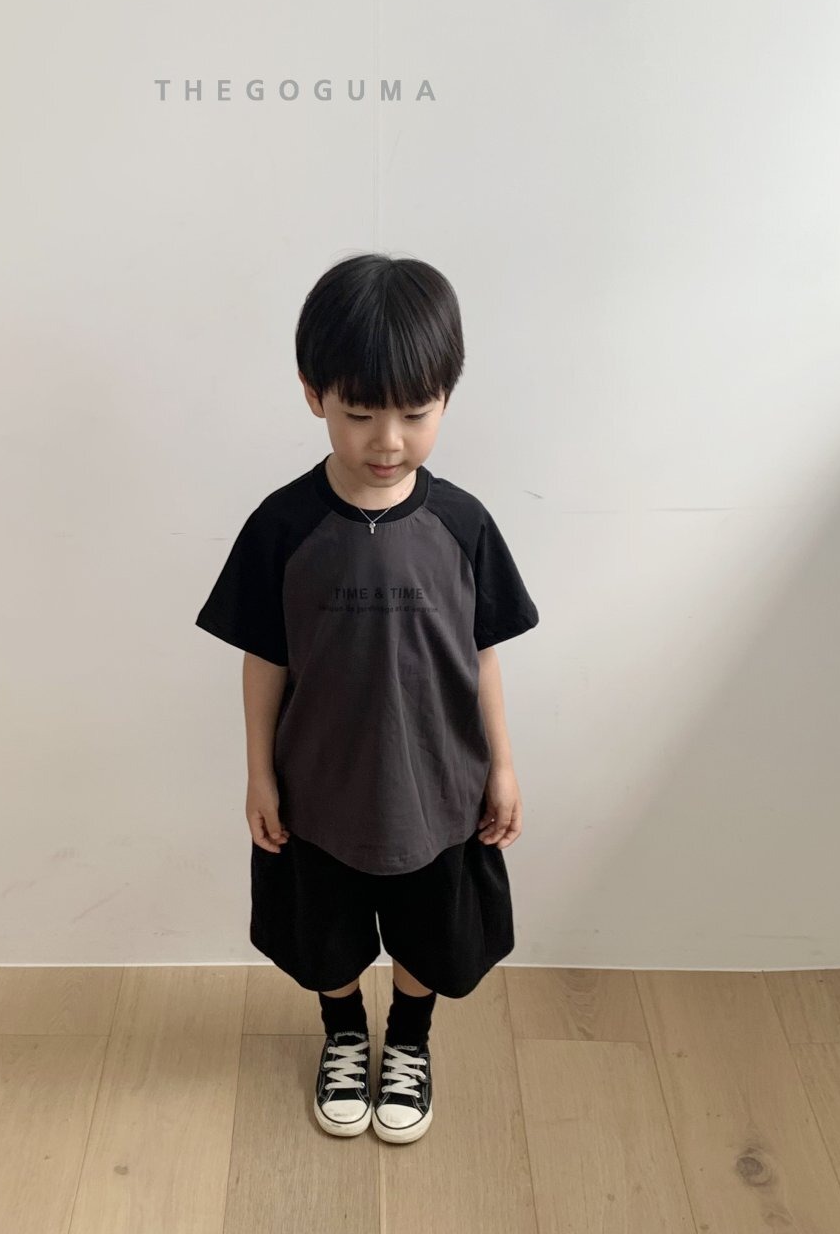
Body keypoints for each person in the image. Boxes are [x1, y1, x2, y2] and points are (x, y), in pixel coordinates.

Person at [194, 252, 540, 1145]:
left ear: (446, 399)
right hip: (320, 790)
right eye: (360, 414)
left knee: (433, 932)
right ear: (314, 395)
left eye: (416, 414)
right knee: (325, 932)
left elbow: (482, 656)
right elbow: (263, 659)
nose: (388, 440)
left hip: (439, 787)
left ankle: (409, 1040)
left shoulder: (463, 525)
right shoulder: (282, 527)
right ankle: (345, 1032)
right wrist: (259, 775)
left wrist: (502, 768)